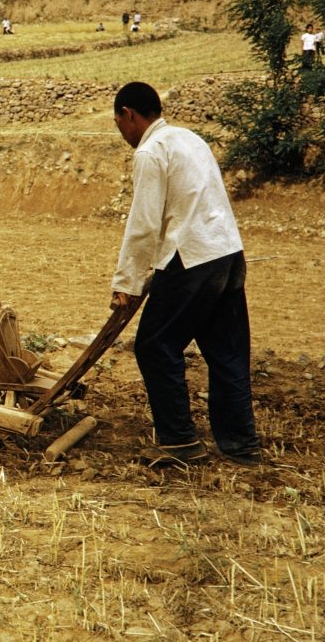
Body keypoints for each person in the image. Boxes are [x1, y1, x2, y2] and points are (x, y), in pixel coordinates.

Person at [110, 82, 261, 467]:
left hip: (190, 257)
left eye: (119, 124)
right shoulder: (190, 139)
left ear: (129, 114)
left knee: (154, 346)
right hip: (227, 251)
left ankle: (178, 441)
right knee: (227, 353)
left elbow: (143, 222)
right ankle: (240, 444)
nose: (123, 134)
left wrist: (126, 282)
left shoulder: (151, 150)